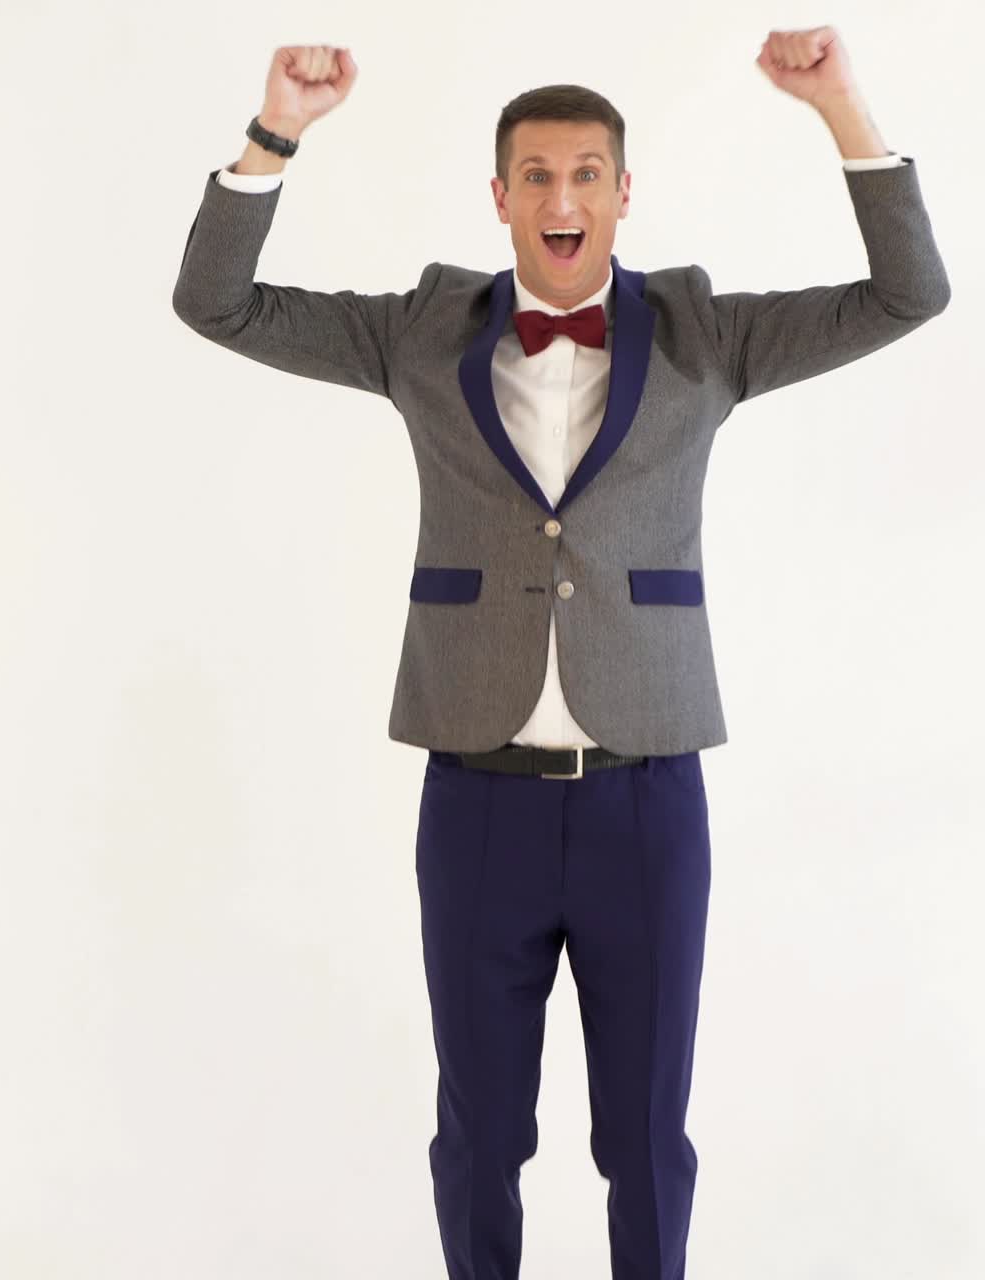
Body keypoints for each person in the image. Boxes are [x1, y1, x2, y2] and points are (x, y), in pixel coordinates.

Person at [171, 33, 950, 1280]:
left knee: (643, 1135)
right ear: (498, 198)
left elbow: (910, 293)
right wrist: (275, 136)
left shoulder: (701, 330)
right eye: (533, 176)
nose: (560, 199)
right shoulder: (424, 329)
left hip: (646, 790)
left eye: (586, 173)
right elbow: (216, 304)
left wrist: (837, 107)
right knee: (479, 1133)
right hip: (475, 792)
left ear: (622, 194)